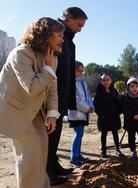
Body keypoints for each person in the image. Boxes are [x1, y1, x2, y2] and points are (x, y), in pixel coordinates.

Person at [0, 17, 64, 188]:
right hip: (15, 113)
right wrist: (48, 69)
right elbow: (32, 87)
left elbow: (52, 89)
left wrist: (52, 115)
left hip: (34, 113)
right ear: (46, 35)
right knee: (30, 158)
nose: (62, 39)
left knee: (41, 155)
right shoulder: (21, 53)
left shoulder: (52, 58)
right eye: (59, 35)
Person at [47, 7, 88, 185]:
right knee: (48, 135)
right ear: (68, 18)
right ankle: (47, 172)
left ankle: (54, 165)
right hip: (50, 94)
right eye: (78, 24)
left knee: (55, 135)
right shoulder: (51, 31)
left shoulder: (70, 42)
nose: (80, 29)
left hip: (62, 97)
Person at [68, 61, 94, 166]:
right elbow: (75, 99)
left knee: (80, 134)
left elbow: (88, 96)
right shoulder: (72, 83)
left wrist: (91, 106)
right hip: (76, 114)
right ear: (73, 71)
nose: (82, 73)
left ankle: (78, 155)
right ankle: (73, 157)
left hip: (83, 113)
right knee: (78, 134)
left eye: (83, 71)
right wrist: (86, 108)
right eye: (79, 71)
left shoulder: (82, 82)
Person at [93, 73, 124, 158]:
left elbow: (118, 103)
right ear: (101, 81)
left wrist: (119, 111)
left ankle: (117, 150)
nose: (106, 82)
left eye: (107, 80)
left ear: (110, 81)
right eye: (104, 80)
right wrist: (101, 114)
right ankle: (104, 151)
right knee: (104, 134)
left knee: (115, 133)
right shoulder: (98, 92)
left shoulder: (114, 91)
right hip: (104, 117)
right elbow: (96, 105)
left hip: (114, 116)